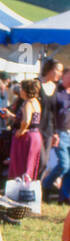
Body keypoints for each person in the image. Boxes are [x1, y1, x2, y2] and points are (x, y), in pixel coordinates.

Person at [8, 78, 43, 182]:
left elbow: (26, 120)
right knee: (31, 164)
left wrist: (21, 131)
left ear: (25, 90)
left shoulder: (27, 103)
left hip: (26, 137)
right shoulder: (36, 102)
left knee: (21, 164)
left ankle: (21, 189)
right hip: (35, 135)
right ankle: (28, 188)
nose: (20, 91)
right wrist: (11, 116)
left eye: (21, 88)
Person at [44, 68, 70, 199]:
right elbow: (52, 113)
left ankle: (64, 196)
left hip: (69, 131)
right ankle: (46, 186)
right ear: (64, 76)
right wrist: (54, 132)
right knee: (64, 164)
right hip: (60, 132)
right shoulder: (57, 92)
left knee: (69, 167)